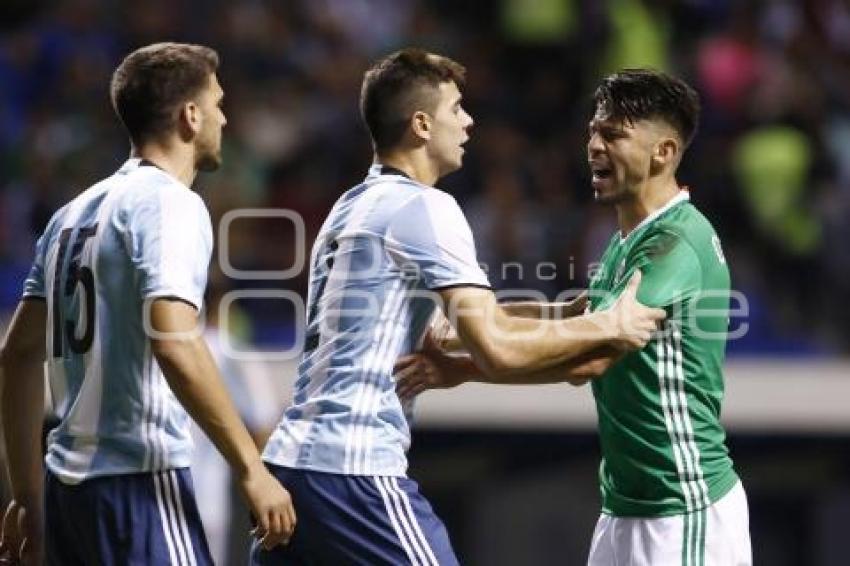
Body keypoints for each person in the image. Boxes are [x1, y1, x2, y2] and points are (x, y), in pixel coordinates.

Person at [253, 48, 665, 566]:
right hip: (352, 471)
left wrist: (569, 315)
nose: (468, 121)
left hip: (294, 468)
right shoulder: (428, 207)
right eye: (456, 110)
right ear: (422, 125)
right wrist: (610, 325)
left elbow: (446, 330)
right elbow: (494, 349)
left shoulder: (352, 205)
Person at [396, 69, 751, 566]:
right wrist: (470, 331)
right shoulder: (628, 238)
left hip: (683, 509)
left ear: (663, 152)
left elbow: (586, 360)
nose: (594, 145)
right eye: (592, 130)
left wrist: (472, 362)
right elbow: (572, 316)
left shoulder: (676, 243)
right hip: (626, 506)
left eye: (613, 134)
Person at [0, 42, 295, 566]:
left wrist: (26, 498)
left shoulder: (70, 215)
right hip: (139, 483)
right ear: (190, 115)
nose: (225, 118)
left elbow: (18, 355)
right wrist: (252, 467)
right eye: (219, 104)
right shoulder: (170, 204)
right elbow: (176, 343)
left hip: (70, 492)